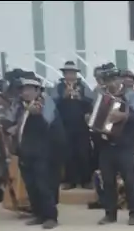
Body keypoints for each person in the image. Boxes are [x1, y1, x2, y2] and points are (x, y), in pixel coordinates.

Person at [12, 72, 65, 229]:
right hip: (25, 152)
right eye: (23, 90)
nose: (25, 92)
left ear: (37, 91)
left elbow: (49, 124)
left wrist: (39, 115)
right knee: (31, 185)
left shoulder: (44, 104)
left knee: (43, 185)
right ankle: (38, 214)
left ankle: (51, 217)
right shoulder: (20, 106)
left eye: (29, 89)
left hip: (42, 153)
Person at [95, 65, 134, 226]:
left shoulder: (130, 95)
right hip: (105, 144)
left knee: (130, 179)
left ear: (120, 79)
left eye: (114, 79)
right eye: (108, 80)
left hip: (125, 143)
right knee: (108, 180)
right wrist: (90, 118)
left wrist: (123, 116)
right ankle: (110, 214)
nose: (111, 83)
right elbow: (96, 115)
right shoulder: (101, 96)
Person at [53, 61, 95, 190]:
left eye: (72, 73)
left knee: (83, 152)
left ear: (76, 75)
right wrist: (63, 97)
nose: (70, 75)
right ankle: (69, 180)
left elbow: (92, 101)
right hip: (64, 125)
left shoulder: (82, 86)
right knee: (67, 153)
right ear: (64, 74)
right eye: (68, 73)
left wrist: (80, 98)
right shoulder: (58, 87)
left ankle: (86, 180)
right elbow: (52, 103)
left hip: (81, 124)